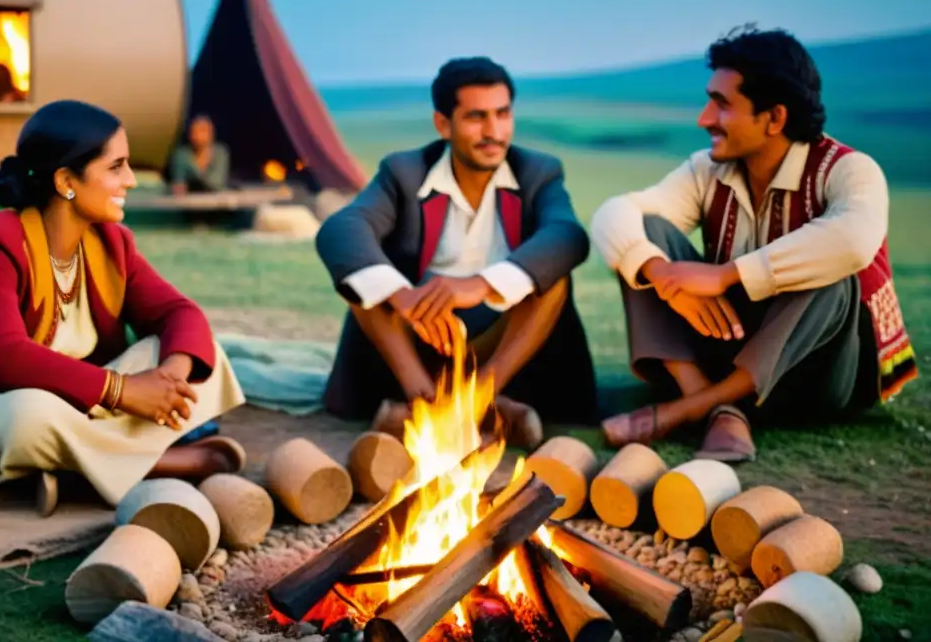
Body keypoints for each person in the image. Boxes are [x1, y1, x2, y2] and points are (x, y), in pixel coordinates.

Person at [589, 25, 918, 462]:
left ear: (775, 118)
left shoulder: (849, 171)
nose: (703, 118)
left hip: (815, 376)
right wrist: (663, 275)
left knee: (833, 270)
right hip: (728, 347)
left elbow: (854, 240)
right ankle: (712, 404)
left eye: (722, 105)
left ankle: (683, 411)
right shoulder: (706, 171)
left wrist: (724, 276)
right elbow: (614, 214)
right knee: (645, 235)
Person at [0, 100, 246, 515]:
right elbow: (4, 357)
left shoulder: (110, 242)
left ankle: (70, 472)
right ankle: (169, 462)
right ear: (67, 179)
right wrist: (124, 392)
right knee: (26, 418)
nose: (132, 180)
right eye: (116, 166)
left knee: (203, 353)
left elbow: (180, 312)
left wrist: (166, 380)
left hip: (88, 407)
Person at [315, 57, 599, 448]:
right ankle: (426, 401)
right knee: (366, 282)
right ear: (442, 124)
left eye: (502, 114)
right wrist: (404, 297)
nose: (493, 132)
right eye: (476, 117)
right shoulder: (404, 172)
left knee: (553, 281)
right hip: (418, 339)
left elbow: (567, 236)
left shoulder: (539, 171)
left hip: (502, 344)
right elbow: (342, 230)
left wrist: (480, 285)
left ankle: (476, 400)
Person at [169, 114, 231, 195]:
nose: (197, 135)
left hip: (215, 199)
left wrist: (194, 183)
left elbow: (216, 182)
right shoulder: (181, 155)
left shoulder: (221, 153)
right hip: (189, 201)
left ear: (211, 133)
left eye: (202, 130)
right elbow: (178, 183)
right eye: (193, 131)